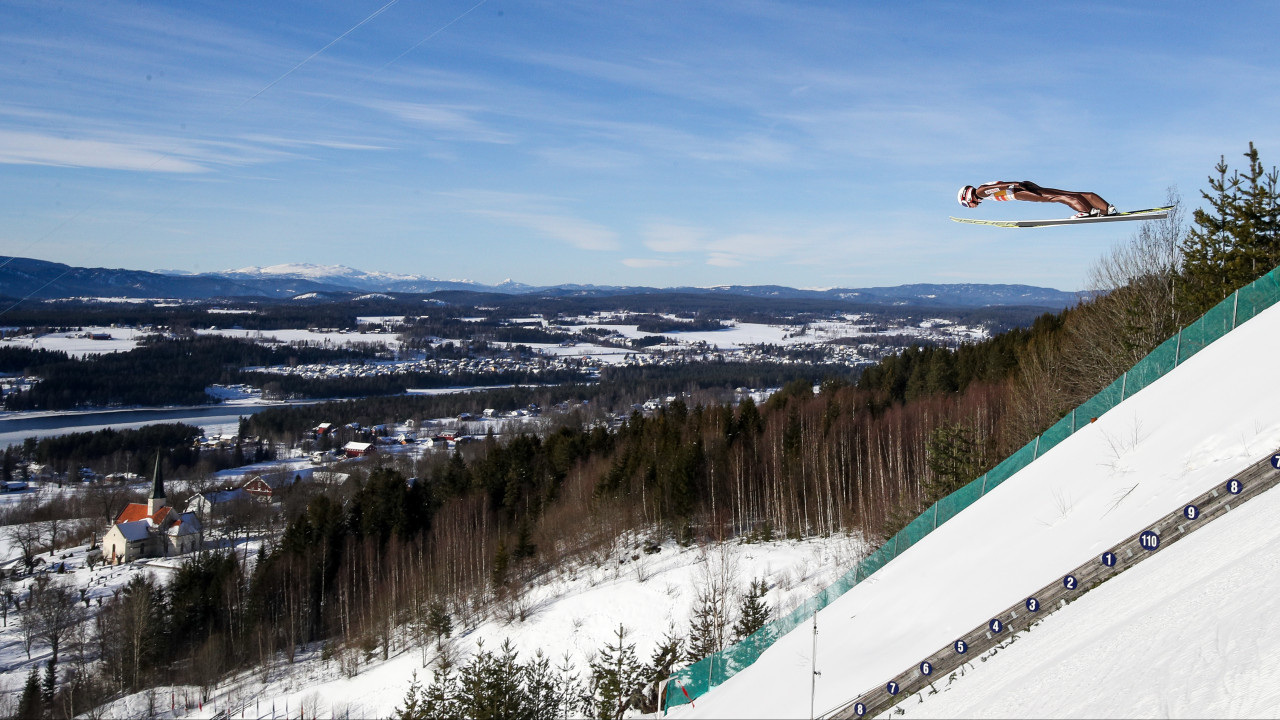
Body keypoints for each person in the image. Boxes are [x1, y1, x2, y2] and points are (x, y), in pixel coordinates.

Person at [957, 181, 1117, 218]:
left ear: (967, 197)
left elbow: (1001, 188)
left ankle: (1086, 211)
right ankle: (1105, 208)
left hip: (1017, 191)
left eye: (967, 205)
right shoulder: (982, 190)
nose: (970, 207)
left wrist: (1017, 185)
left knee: (1056, 197)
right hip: (1021, 187)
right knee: (1067, 193)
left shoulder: (981, 192)